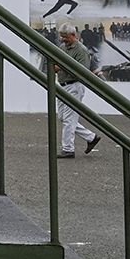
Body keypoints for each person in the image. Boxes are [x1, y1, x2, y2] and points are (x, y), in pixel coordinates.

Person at [47, 23, 99, 159]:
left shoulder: (81, 50)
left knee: (69, 119)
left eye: (66, 37)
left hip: (74, 85)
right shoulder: (63, 47)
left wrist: (60, 68)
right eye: (62, 37)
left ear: (73, 35)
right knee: (63, 117)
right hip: (63, 85)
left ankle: (68, 149)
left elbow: (82, 71)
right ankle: (91, 137)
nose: (63, 39)